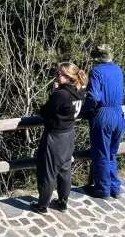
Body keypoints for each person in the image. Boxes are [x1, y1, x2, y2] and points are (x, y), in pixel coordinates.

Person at [31, 62, 87, 214]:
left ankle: (42, 204)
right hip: (68, 134)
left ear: (66, 76)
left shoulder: (61, 94)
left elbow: (45, 111)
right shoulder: (79, 91)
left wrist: (54, 93)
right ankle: (62, 201)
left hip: (55, 136)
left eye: (58, 73)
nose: (56, 75)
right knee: (65, 169)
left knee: (48, 171)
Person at [82, 44, 125, 198]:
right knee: (111, 153)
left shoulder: (96, 71)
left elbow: (94, 96)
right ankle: (115, 188)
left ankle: (102, 189)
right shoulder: (118, 69)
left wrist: (85, 109)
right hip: (118, 113)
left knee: (100, 152)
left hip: (103, 115)